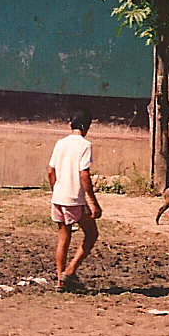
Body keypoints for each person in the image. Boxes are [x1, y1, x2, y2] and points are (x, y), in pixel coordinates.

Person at [47, 108, 103, 292]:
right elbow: (84, 174)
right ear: (87, 126)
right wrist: (93, 201)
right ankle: (70, 272)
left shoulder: (60, 143)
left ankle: (60, 281)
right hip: (74, 199)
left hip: (58, 197)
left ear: (70, 123)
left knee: (64, 238)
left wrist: (55, 189)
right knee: (92, 234)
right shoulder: (85, 145)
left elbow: (50, 171)